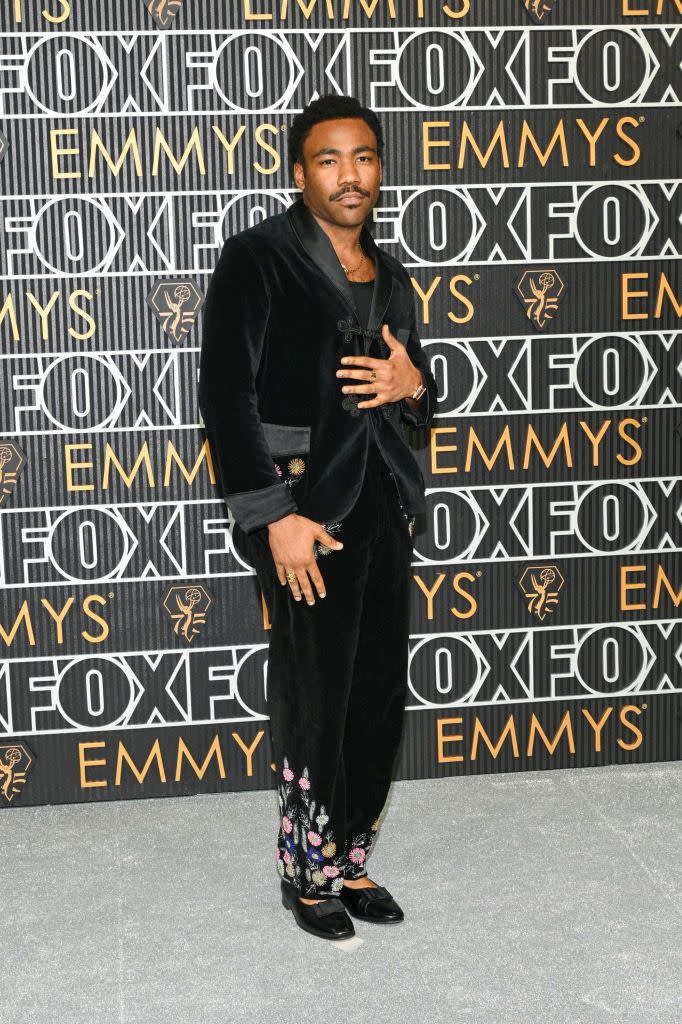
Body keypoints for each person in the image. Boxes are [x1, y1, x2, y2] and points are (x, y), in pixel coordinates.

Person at [198, 94, 437, 941]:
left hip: (381, 505)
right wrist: (274, 518)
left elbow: (417, 394)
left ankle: (352, 857)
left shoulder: (395, 275)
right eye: (330, 159)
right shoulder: (257, 259)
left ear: (380, 168)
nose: (350, 175)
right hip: (305, 515)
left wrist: (416, 388)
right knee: (316, 692)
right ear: (300, 173)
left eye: (364, 157)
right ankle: (306, 870)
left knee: (376, 694)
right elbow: (226, 397)